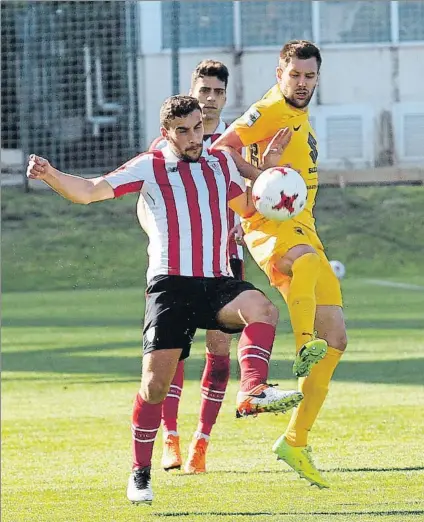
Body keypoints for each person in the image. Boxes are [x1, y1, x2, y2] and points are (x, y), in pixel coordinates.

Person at [26, 95, 303, 504]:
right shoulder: (150, 166)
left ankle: (254, 388)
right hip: (170, 286)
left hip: (215, 281)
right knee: (154, 387)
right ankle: (140, 473)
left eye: (198, 128)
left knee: (263, 309)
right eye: (184, 131)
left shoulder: (221, 163)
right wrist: (50, 175)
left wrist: (272, 178)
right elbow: (88, 192)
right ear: (166, 134)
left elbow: (248, 207)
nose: (195, 138)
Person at [212, 40, 348, 489]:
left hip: (305, 226)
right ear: (279, 74)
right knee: (305, 266)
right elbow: (221, 148)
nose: (303, 84)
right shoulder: (268, 109)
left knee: (338, 340)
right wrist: (261, 178)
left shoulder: (298, 112)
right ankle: (301, 345)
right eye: (296, 76)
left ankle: (295, 440)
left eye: (310, 77)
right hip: (269, 227)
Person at [147, 60, 244, 475]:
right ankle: (170, 438)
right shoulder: (163, 145)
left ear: (225, 96)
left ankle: (201, 443)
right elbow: (146, 199)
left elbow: (249, 196)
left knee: (220, 349)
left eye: (217, 92)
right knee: (173, 353)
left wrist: (244, 226)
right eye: (203, 90)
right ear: (192, 91)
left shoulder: (232, 146)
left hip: (224, 261)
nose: (209, 99)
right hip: (180, 266)